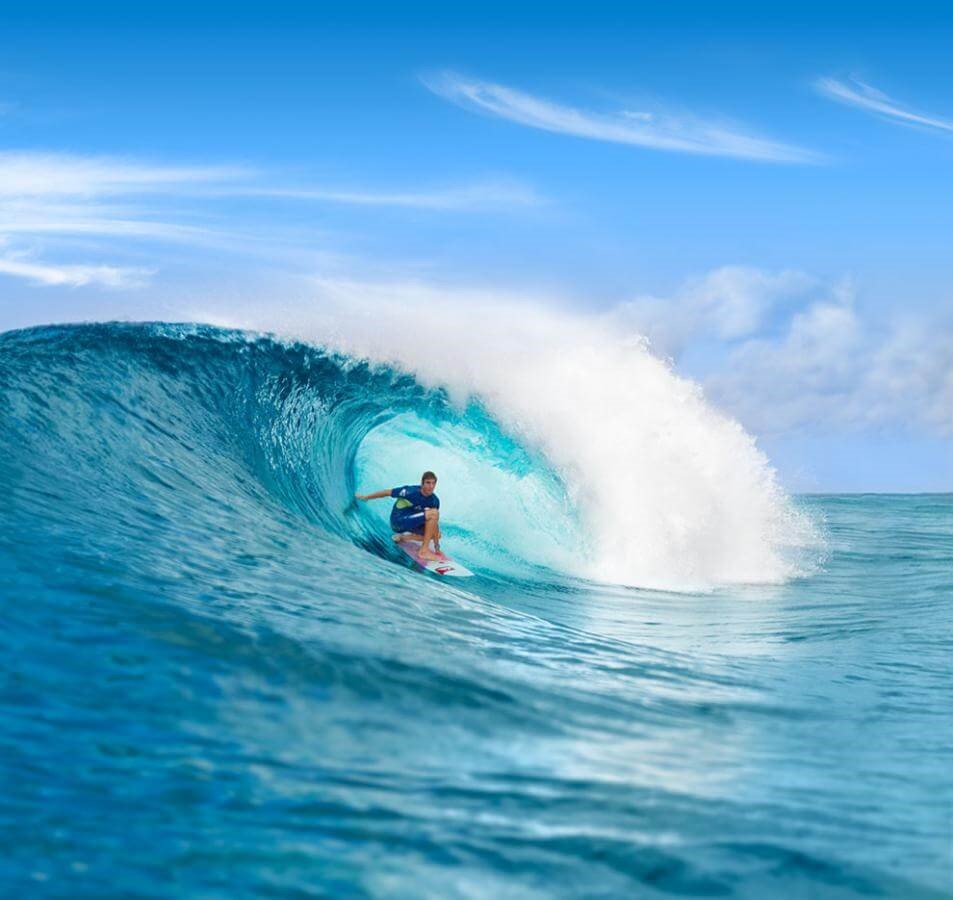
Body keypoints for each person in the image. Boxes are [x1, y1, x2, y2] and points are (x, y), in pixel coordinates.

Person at [355, 471, 442, 561]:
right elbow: (387, 492)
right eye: (428, 483)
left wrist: (437, 548)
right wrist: (366, 497)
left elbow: (434, 524)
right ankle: (423, 552)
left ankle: (403, 538)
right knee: (433, 513)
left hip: (410, 523)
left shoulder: (434, 500)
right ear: (422, 483)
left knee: (437, 533)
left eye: (433, 483)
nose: (431, 486)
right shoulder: (409, 491)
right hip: (398, 521)